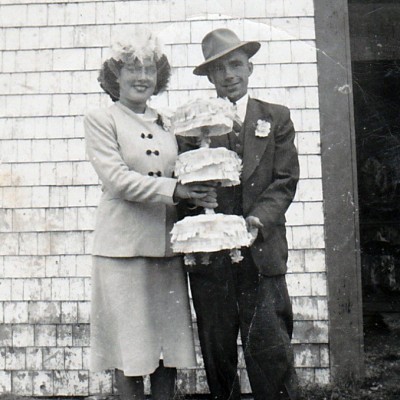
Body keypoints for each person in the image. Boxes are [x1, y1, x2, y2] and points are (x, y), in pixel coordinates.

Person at [84, 30, 217, 400]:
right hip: (122, 253)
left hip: (166, 251)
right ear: (115, 75)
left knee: (167, 351)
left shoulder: (168, 122)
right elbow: (118, 180)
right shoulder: (101, 119)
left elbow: (186, 172)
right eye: (132, 69)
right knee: (131, 353)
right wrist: (176, 190)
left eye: (150, 69)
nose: (142, 77)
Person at [178, 28, 300, 400]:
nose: (229, 74)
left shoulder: (275, 117)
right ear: (210, 77)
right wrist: (198, 198)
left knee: (269, 350)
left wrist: (258, 219)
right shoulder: (193, 127)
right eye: (219, 69)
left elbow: (284, 179)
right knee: (218, 356)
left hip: (260, 255)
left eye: (235, 65)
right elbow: (181, 188)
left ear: (249, 67)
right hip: (211, 261)